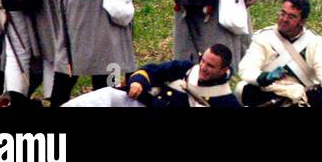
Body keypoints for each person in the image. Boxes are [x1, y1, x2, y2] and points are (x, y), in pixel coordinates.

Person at [235, 0, 322, 107]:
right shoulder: (263, 37)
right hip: (271, 89)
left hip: (304, 91)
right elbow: (247, 69)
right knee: (244, 89)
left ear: (302, 21)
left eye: (291, 16)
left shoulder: (313, 41)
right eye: (282, 13)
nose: (284, 19)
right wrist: (265, 77)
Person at [65, 43, 240, 107]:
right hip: (145, 102)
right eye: (203, 61)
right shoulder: (185, 68)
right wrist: (138, 82)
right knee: (108, 95)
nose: (203, 67)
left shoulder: (226, 101)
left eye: (210, 66)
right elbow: (153, 71)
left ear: (223, 70)